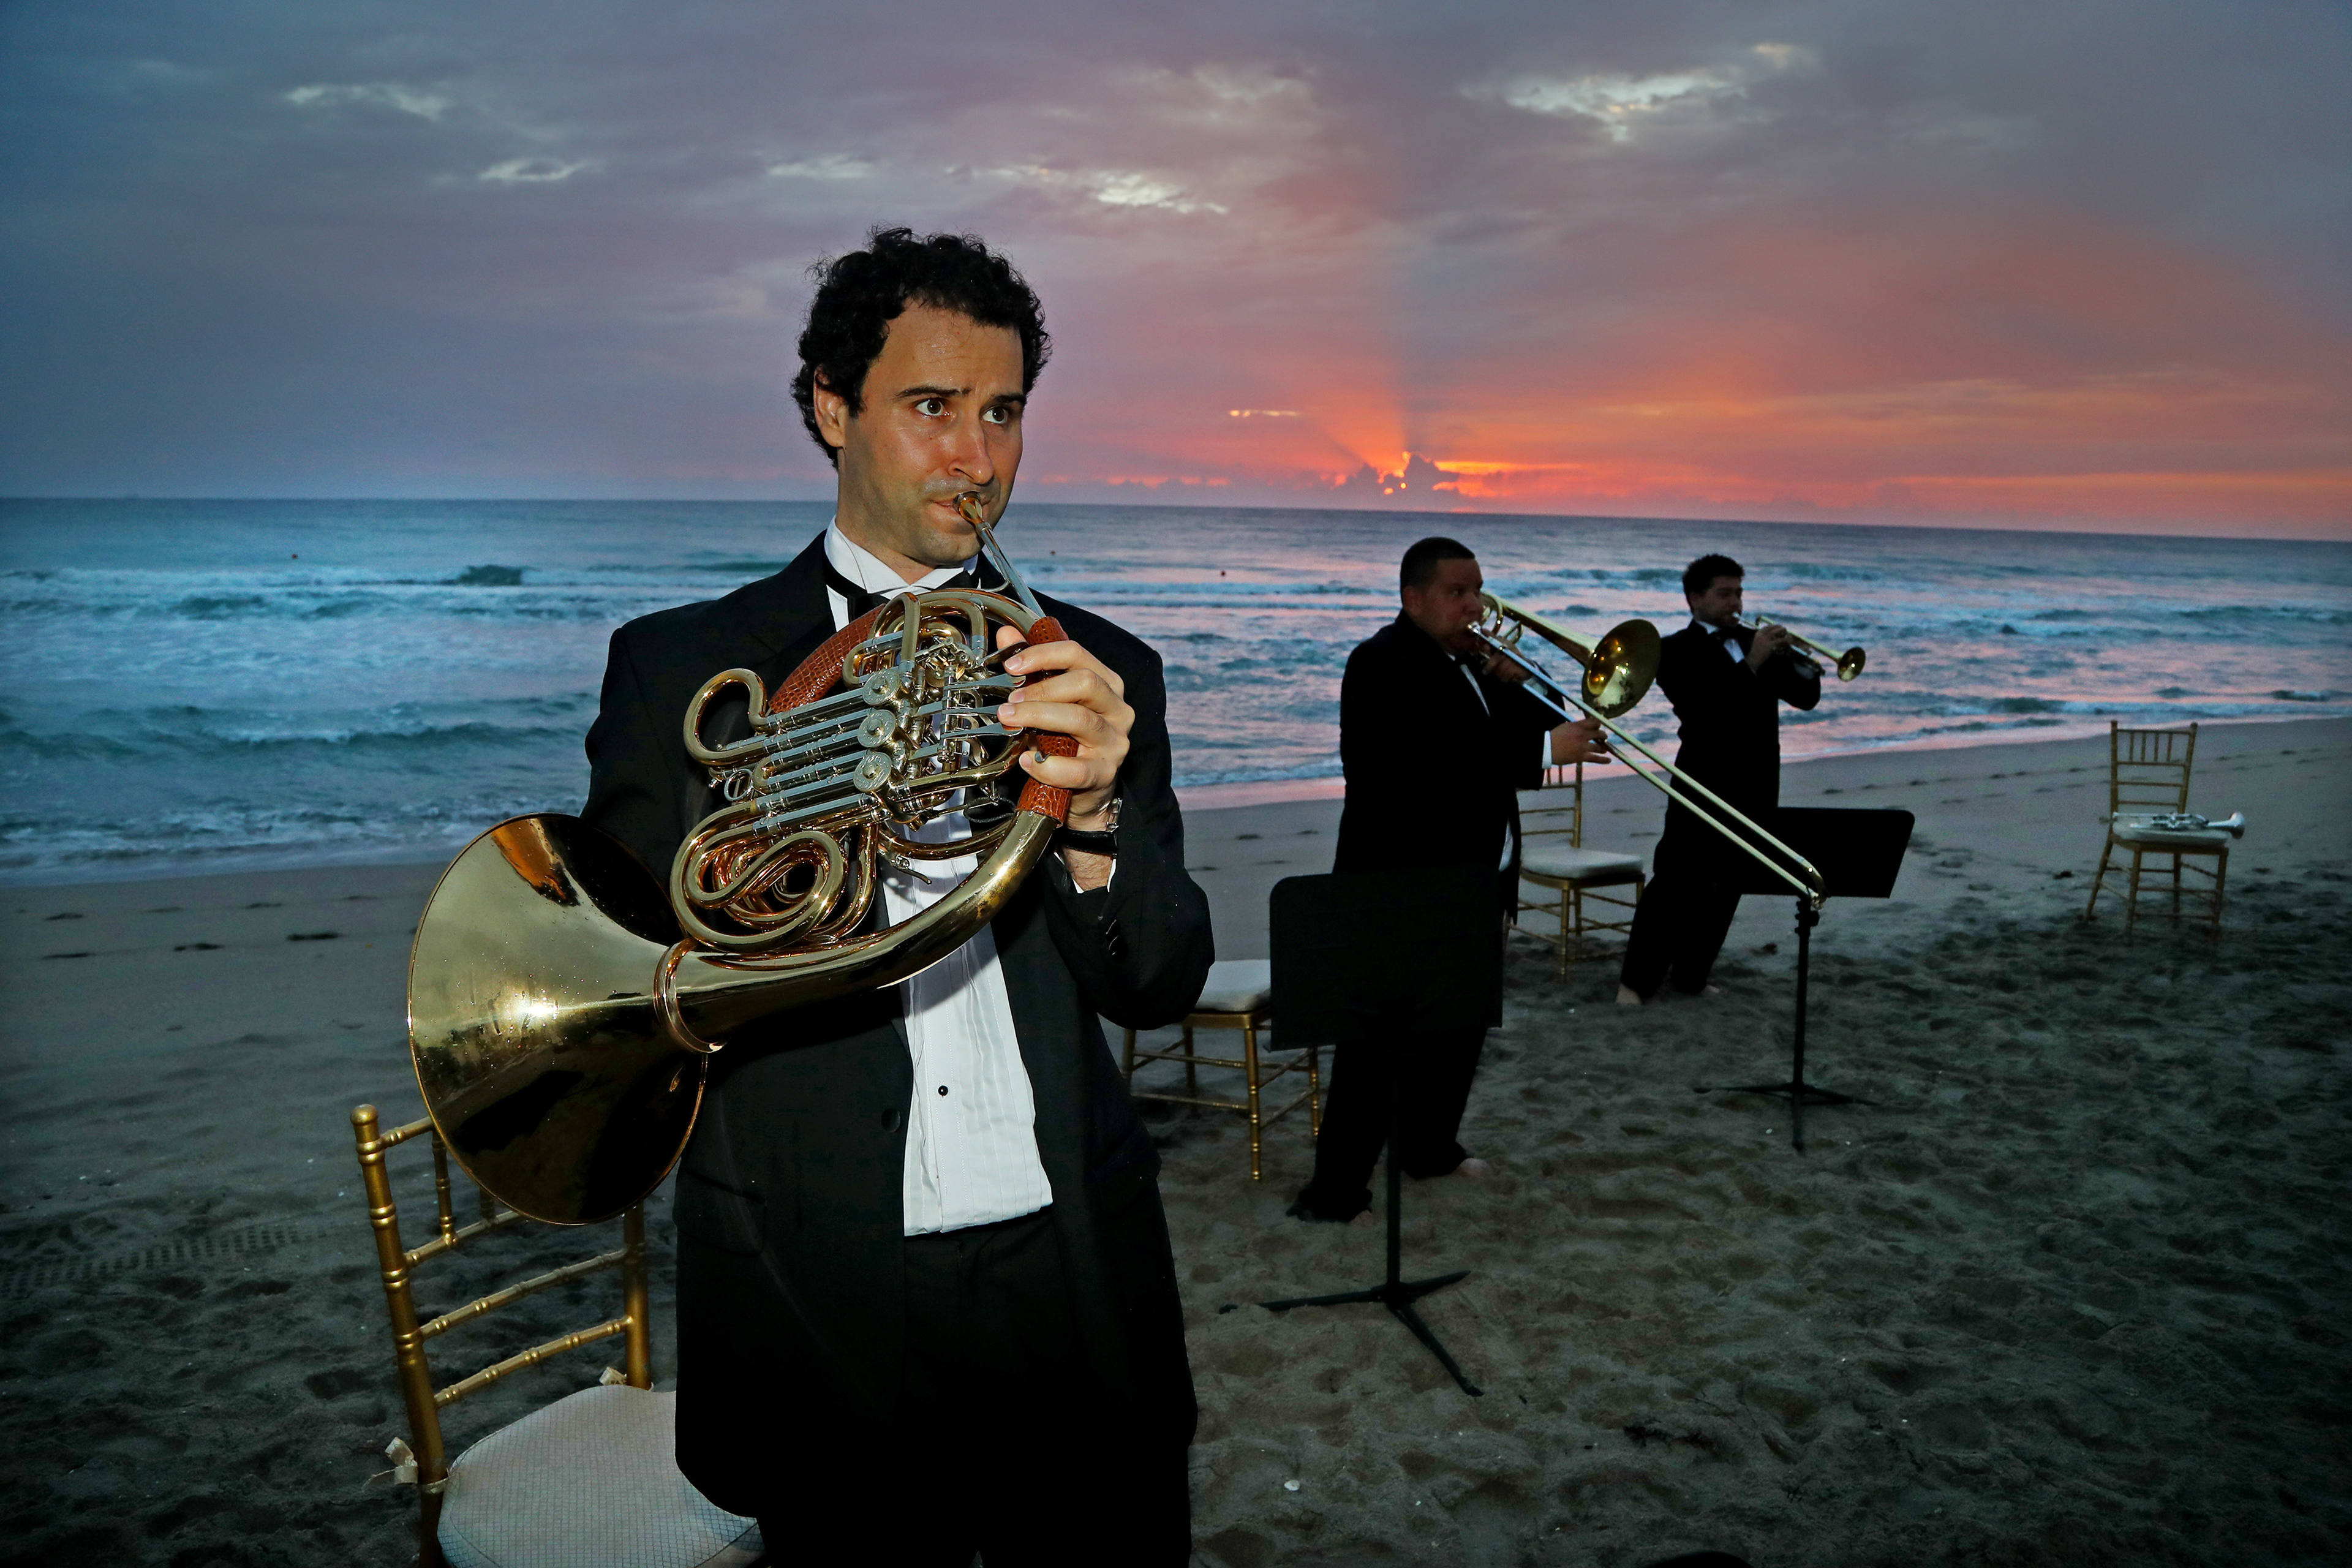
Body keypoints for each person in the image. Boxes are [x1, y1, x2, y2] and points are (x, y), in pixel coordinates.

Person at [581, 228, 1212, 1564]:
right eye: (931, 408)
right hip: (820, 1280)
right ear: (829, 406)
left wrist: (1092, 813)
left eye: (1002, 412)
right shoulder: (679, 669)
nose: (976, 458)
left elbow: (1157, 980)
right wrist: (809, 805)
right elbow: (642, 990)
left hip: (1071, 1265)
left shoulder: (1102, 672)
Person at [1287, 537, 1610, 1223]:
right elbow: (1420, 765)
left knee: (1457, 1028)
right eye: (1459, 592)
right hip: (1398, 887)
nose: (1475, 606)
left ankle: (1429, 1148)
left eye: (1479, 590)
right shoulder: (1381, 662)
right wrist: (1548, 748)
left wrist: (1515, 680)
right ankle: (1336, 1191)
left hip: (1475, 879)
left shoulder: (1471, 664)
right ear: (1414, 598)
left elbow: (1553, 720)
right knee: (1373, 1046)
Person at [1616, 552, 1822, 1004]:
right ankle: (1635, 982)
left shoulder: (1754, 641)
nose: (1736, 602)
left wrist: (1802, 662)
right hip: (1703, 780)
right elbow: (1707, 711)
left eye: (1740, 593)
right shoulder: (1673, 651)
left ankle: (1691, 976)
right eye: (1725, 593)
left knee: (1730, 882)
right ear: (1695, 598)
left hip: (1758, 777)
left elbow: (1805, 699)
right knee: (1675, 881)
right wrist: (1753, 661)